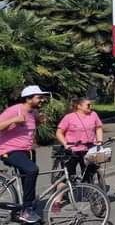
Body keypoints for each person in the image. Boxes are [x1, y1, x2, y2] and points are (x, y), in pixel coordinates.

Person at [0, 85, 48, 223]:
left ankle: (27, 207)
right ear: (28, 98)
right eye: (39, 97)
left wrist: (38, 122)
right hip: (8, 150)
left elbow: (25, 130)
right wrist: (14, 120)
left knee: (29, 177)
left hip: (26, 151)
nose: (42, 100)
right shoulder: (15, 110)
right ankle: (26, 210)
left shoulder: (32, 113)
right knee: (32, 170)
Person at [54, 97, 103, 205]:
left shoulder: (93, 115)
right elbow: (59, 132)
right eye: (88, 105)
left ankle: (92, 194)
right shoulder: (69, 117)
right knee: (68, 174)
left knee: (90, 172)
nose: (91, 107)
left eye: (91, 105)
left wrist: (99, 141)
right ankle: (58, 199)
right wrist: (65, 144)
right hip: (73, 149)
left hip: (89, 149)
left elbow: (98, 127)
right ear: (79, 106)